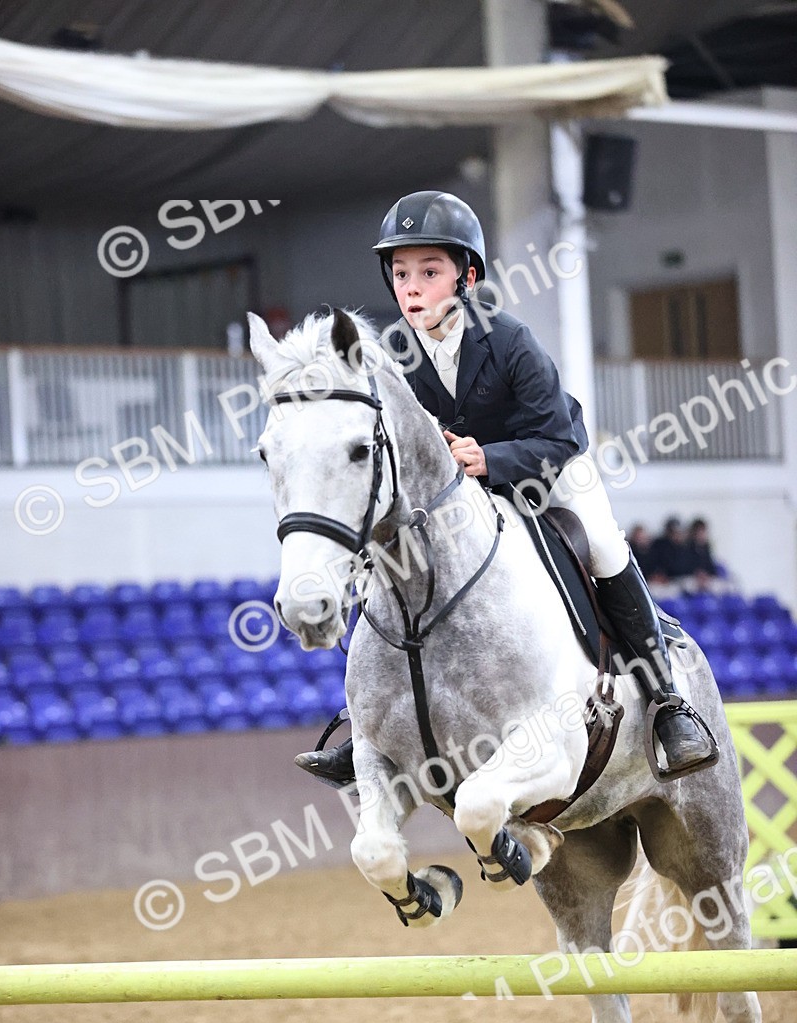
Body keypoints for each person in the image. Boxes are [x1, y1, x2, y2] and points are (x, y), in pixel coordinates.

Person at [296, 190, 716, 789]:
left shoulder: (509, 338)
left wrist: (487, 458)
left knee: (601, 543)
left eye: (429, 271)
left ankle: (667, 701)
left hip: (547, 471)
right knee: (391, 559)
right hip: (463, 493)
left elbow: (556, 436)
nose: (411, 287)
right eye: (400, 272)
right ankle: (367, 724)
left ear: (467, 276)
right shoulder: (394, 357)